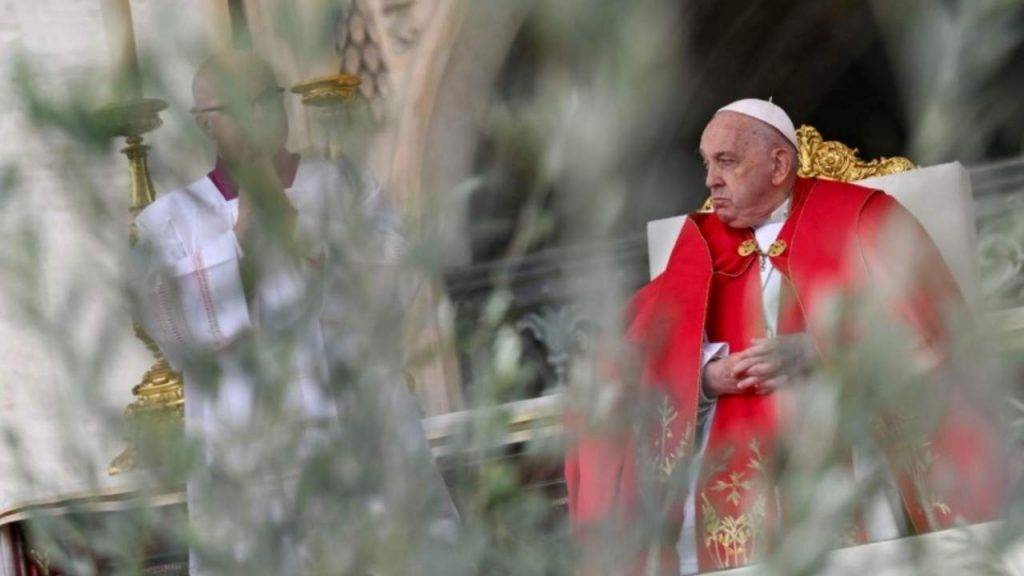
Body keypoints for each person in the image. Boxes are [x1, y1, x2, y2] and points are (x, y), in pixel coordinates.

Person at [564, 99, 1008, 574]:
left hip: (846, 420)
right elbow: (632, 359)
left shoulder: (860, 215)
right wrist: (709, 376)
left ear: (779, 165)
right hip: (729, 447)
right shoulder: (698, 244)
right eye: (707, 162)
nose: (710, 179)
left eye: (727, 161)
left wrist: (818, 349)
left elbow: (931, 326)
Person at [131, 51, 456, 574]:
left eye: (267, 97)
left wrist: (320, 250)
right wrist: (238, 240)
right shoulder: (171, 222)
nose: (261, 113)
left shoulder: (345, 187)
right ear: (207, 123)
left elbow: (401, 281)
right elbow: (171, 331)